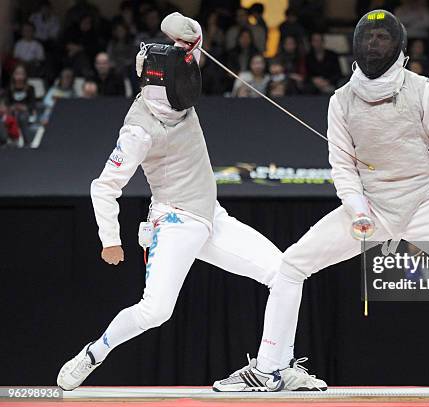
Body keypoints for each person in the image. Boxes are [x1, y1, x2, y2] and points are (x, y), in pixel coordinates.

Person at [215, 10, 429, 393]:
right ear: (357, 45)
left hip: (425, 203)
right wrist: (358, 211)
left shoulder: (421, 88)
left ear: (398, 47)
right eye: (369, 38)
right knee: (291, 266)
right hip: (370, 208)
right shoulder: (341, 101)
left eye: (382, 38)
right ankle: (270, 368)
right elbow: (342, 167)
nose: (374, 44)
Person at [56, 12, 322, 393]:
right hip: (175, 221)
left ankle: (274, 367)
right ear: (160, 88)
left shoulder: (176, 79)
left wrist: (181, 34)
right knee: (156, 312)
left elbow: (185, 29)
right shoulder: (138, 130)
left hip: (212, 217)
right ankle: (94, 353)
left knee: (284, 273)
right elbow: (104, 186)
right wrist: (110, 239)